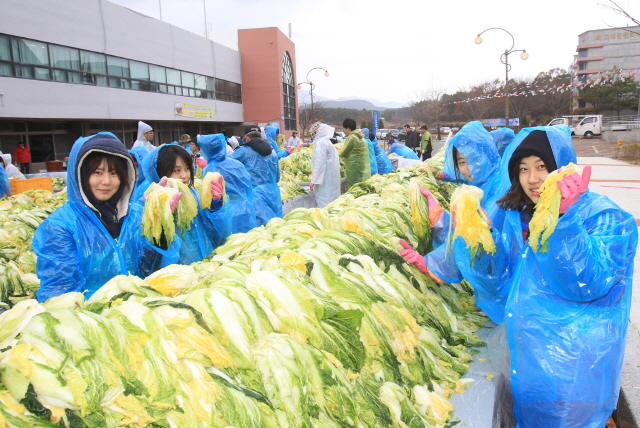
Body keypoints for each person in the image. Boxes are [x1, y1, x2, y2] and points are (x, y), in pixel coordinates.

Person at [406, 126, 638, 428]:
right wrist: (479, 238)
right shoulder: (520, 214)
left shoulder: (605, 217)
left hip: (573, 367)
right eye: (523, 168)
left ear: (562, 167)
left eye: (542, 167)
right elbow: (500, 281)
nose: (532, 178)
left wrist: (564, 222)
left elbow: (584, 283)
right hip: (526, 358)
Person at [32, 132, 168, 301]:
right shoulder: (61, 226)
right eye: (97, 172)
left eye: (114, 173)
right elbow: (60, 294)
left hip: (136, 313)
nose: (106, 181)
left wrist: (160, 227)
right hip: (92, 320)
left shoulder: (135, 215)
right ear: (81, 174)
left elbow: (149, 270)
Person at [128, 143, 231, 268]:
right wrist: (160, 221)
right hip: (176, 277)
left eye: (187, 168)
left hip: (205, 268)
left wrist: (215, 207)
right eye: (177, 170)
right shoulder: (146, 204)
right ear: (158, 172)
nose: (185, 175)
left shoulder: (193, 195)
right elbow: (146, 260)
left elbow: (218, 234)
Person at [199, 133, 256, 234]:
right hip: (245, 208)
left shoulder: (210, 169)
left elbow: (210, 197)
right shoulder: (237, 163)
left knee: (232, 244)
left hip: (228, 212)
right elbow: (248, 186)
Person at [230, 126, 282, 226]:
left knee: (259, 231)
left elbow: (227, 165)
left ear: (247, 138)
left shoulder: (244, 150)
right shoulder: (272, 151)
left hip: (254, 194)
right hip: (272, 193)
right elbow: (277, 176)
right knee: (276, 227)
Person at [308, 121, 340, 208]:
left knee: (325, 203)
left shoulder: (321, 143)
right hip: (330, 178)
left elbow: (320, 162)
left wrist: (314, 180)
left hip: (324, 180)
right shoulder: (327, 141)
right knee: (332, 203)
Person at [339, 118, 371, 189]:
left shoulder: (353, 138)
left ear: (348, 128)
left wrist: (336, 152)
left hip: (353, 166)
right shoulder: (359, 136)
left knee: (353, 186)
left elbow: (344, 153)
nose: (344, 131)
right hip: (359, 164)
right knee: (358, 183)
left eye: (344, 129)